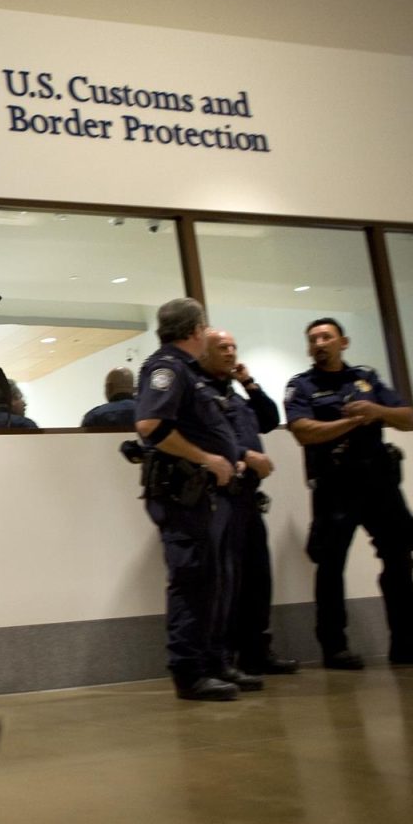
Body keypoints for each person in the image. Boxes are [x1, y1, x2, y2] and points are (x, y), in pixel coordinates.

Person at [283, 317, 413, 669]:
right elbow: (303, 431)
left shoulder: (367, 379)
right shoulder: (302, 386)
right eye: (312, 338)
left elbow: (409, 418)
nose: (319, 343)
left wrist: (377, 410)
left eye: (326, 336)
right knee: (330, 566)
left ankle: (406, 642)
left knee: (400, 557)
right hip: (334, 487)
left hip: (379, 484)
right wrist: (351, 422)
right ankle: (334, 647)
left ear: (343, 342)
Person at [134, 299, 256, 702]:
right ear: (195, 330)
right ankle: (189, 673)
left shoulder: (190, 373)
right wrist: (207, 458)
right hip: (182, 494)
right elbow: (150, 425)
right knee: (191, 582)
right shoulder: (167, 369)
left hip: (207, 496)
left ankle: (214, 662)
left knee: (213, 580)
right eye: (205, 328)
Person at [199, 329, 298, 676]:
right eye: (221, 347)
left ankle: (257, 651)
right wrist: (244, 455)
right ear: (203, 353)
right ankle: (223, 657)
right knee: (226, 579)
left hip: (248, 499)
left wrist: (249, 383)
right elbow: (203, 439)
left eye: (233, 347)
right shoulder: (199, 394)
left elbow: (269, 419)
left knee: (258, 576)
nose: (229, 353)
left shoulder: (235, 394)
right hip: (219, 498)